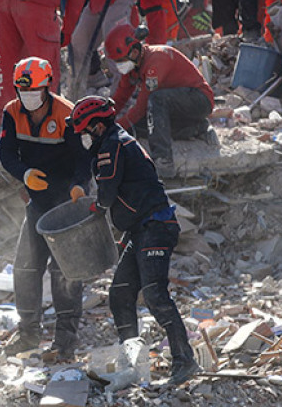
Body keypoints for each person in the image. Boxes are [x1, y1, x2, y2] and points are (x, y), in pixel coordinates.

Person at [67, 96, 199, 385]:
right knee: (120, 294)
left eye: (84, 131)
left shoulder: (112, 146)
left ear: (97, 127)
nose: (83, 137)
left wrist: (92, 209)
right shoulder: (113, 142)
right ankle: (132, 361)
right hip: (140, 230)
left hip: (155, 226)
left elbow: (107, 193)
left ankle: (185, 360)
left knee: (155, 295)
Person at [0, 57, 90, 359]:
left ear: (47, 86)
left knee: (65, 271)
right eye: (22, 91)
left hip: (66, 201)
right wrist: (24, 174)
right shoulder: (12, 112)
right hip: (38, 200)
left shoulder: (67, 114)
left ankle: (65, 342)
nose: (27, 97)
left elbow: (83, 158)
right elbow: (6, 153)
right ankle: (28, 334)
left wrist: (79, 184)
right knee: (26, 266)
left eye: (33, 91)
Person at [105, 23, 214, 178]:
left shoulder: (156, 60)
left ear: (134, 51)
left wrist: (115, 129)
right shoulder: (133, 65)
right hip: (177, 105)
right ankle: (197, 128)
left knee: (156, 100)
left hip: (200, 100)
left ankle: (164, 161)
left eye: (121, 60)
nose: (119, 65)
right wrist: (103, 117)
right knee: (140, 126)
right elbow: (120, 97)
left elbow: (141, 107)